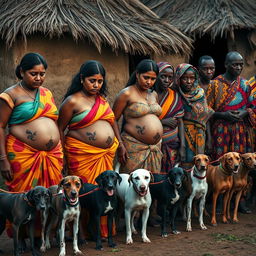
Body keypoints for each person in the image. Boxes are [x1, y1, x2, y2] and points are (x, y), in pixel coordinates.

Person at [0, 52, 63, 237]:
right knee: (24, 196)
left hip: (52, 155)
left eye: (42, 74)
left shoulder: (47, 93)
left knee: (50, 197)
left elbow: (55, 122)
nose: (38, 78)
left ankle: (45, 235)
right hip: (23, 154)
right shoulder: (9, 95)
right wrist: (2, 159)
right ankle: (24, 237)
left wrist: (61, 151)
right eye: (33, 73)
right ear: (21, 72)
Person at [57, 60, 119, 238]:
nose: (96, 85)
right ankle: (81, 232)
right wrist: (62, 156)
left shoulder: (102, 100)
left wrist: (120, 143)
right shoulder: (72, 101)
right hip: (81, 154)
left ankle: (101, 231)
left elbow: (113, 122)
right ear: (82, 78)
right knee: (84, 193)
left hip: (104, 155)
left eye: (100, 81)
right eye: (92, 80)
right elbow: (60, 128)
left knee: (103, 191)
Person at [207, 52, 256, 213]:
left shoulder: (245, 84)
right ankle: (220, 200)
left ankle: (240, 200)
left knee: (241, 165)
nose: (239, 67)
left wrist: (244, 113)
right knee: (222, 163)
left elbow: (252, 106)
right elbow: (207, 109)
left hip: (241, 130)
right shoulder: (215, 84)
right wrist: (223, 115)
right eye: (235, 64)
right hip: (221, 130)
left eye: (241, 64)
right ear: (226, 65)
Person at [112, 59, 163, 174]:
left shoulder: (153, 94)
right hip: (133, 146)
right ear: (137, 74)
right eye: (146, 77)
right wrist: (120, 144)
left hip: (154, 148)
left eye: (153, 79)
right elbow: (113, 119)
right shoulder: (126, 93)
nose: (149, 82)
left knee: (150, 185)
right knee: (131, 182)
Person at [173, 63, 214, 169]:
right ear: (178, 78)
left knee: (200, 165)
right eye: (185, 78)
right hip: (182, 135)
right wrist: (181, 145)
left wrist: (209, 138)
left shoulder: (200, 93)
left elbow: (206, 116)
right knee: (186, 164)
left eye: (192, 78)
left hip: (200, 134)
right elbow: (179, 119)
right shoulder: (175, 94)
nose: (189, 81)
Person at [154, 62, 185, 172]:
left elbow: (180, 122)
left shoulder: (174, 95)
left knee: (170, 177)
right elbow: (142, 120)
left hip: (172, 145)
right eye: (163, 76)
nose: (167, 80)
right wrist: (162, 122)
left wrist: (182, 146)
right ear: (156, 75)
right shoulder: (148, 95)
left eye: (170, 77)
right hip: (153, 145)